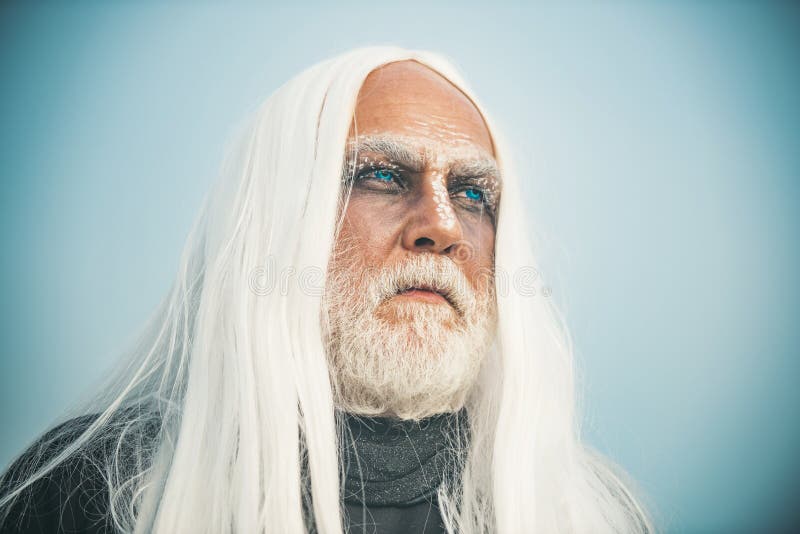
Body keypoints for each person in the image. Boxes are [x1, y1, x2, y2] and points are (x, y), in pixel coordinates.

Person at [0, 46, 653, 534]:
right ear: (283, 222)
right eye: (383, 176)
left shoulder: (585, 512)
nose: (443, 228)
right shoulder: (93, 495)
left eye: (473, 191)